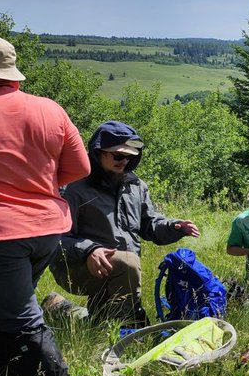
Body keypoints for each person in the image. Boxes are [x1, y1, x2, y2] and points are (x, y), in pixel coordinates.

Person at [0, 32, 87, 376]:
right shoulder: (49, 109)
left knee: (21, 318)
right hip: (46, 229)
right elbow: (80, 167)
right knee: (5, 307)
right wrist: (36, 186)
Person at [52, 121, 200, 325]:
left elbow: (150, 225)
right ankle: (123, 328)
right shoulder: (75, 188)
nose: (124, 161)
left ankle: (59, 309)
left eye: (129, 156)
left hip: (120, 272)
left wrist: (173, 227)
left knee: (99, 320)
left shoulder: (136, 186)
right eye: (118, 155)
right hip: (78, 266)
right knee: (127, 266)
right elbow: (57, 238)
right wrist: (90, 250)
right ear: (98, 152)